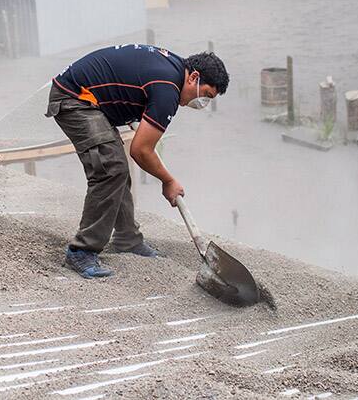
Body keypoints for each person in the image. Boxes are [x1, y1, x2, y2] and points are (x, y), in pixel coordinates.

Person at [46, 44, 228, 278]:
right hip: (75, 98)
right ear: (194, 77)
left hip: (93, 100)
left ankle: (127, 239)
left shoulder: (172, 68)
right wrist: (168, 180)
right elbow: (141, 150)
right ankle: (81, 251)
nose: (201, 103)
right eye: (205, 96)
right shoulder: (167, 89)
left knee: (116, 168)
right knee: (110, 169)